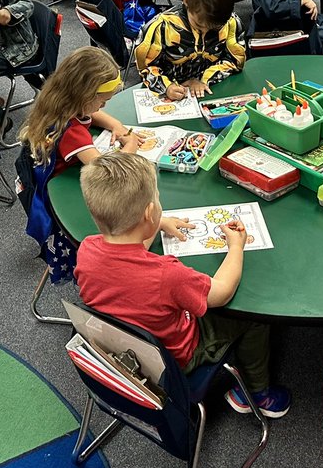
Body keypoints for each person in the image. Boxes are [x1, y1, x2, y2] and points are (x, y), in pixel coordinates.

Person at [76, 151, 292, 417]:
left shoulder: (87, 250)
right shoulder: (167, 275)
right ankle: (257, 394)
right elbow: (221, 293)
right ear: (149, 212)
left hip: (123, 353)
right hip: (179, 358)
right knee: (255, 317)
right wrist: (236, 247)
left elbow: (126, 251)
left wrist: (155, 225)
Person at [17, 47, 144, 283]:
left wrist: (117, 125)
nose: (103, 107)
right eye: (102, 101)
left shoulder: (62, 103)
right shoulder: (71, 133)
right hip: (62, 197)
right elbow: (109, 172)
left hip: (48, 176)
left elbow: (91, 115)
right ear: (84, 95)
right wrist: (132, 145)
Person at [134, 0, 244, 99]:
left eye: (214, 28)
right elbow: (146, 67)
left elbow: (234, 60)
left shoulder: (231, 23)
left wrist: (204, 80)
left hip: (211, 87)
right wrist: (166, 87)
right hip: (173, 91)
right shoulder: (161, 27)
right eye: (198, 25)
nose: (204, 31)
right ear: (186, 1)